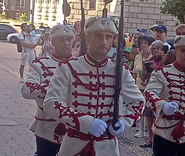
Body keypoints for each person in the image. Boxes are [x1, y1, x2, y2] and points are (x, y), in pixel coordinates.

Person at [44, 16, 144, 156]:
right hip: (74, 146)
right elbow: (51, 103)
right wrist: (86, 122)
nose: (104, 42)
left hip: (107, 148)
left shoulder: (121, 71)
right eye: (98, 36)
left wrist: (124, 122)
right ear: (87, 38)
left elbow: (138, 102)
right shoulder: (68, 67)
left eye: (108, 37)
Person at [21, 23, 76, 156]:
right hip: (47, 127)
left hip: (74, 126)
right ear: (53, 42)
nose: (66, 43)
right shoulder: (40, 64)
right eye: (61, 40)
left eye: (69, 40)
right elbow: (27, 90)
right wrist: (55, 89)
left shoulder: (80, 66)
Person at [132, 35, 153, 140]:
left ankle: (144, 130)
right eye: (142, 43)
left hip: (149, 86)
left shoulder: (152, 57)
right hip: (138, 85)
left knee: (146, 108)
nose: (143, 45)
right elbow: (135, 72)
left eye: (145, 43)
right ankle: (140, 128)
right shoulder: (137, 56)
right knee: (140, 107)